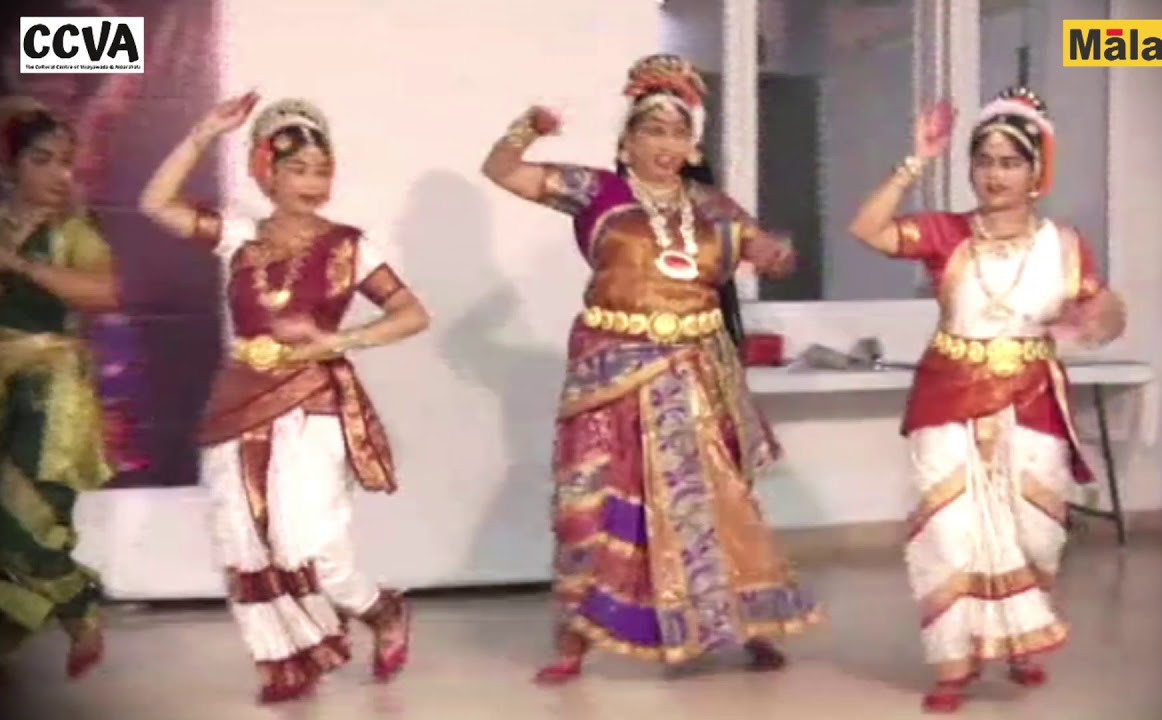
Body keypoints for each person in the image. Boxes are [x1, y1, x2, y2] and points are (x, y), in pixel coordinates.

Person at [480, 54, 821, 685]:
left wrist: (778, 255)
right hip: (611, 373)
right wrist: (530, 125)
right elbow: (501, 171)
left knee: (720, 503)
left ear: (693, 147)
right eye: (652, 131)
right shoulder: (596, 192)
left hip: (696, 373)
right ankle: (576, 637)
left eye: (677, 133)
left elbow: (767, 255)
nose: (666, 145)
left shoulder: (716, 207)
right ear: (626, 141)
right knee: (589, 503)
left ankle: (749, 622)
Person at [138, 93, 431, 704]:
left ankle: (379, 609)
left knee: (313, 544)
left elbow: (411, 313)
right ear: (265, 171)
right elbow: (154, 204)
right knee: (245, 536)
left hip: (312, 399)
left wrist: (339, 338)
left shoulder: (351, 246)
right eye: (296, 169)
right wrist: (202, 132)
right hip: (239, 400)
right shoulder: (240, 236)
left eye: (321, 169)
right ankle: (286, 659)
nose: (311, 182)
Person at [847, 87, 1126, 713]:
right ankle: (952, 664)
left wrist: (1096, 321)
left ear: (1035, 174)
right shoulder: (945, 232)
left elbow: (1105, 306)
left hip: (1030, 397)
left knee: (1035, 532)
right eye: (984, 160)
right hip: (949, 393)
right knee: (950, 532)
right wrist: (916, 159)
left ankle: (1020, 639)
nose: (994, 174)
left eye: (1009, 161)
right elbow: (866, 228)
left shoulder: (1066, 243)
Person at [0, 97, 121, 678]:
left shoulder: (73, 230)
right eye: (42, 159)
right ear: (13, 166)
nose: (58, 174)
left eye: (65, 161)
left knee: (30, 520)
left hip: (50, 394)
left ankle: (76, 603)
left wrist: (20, 267)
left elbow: (105, 295)